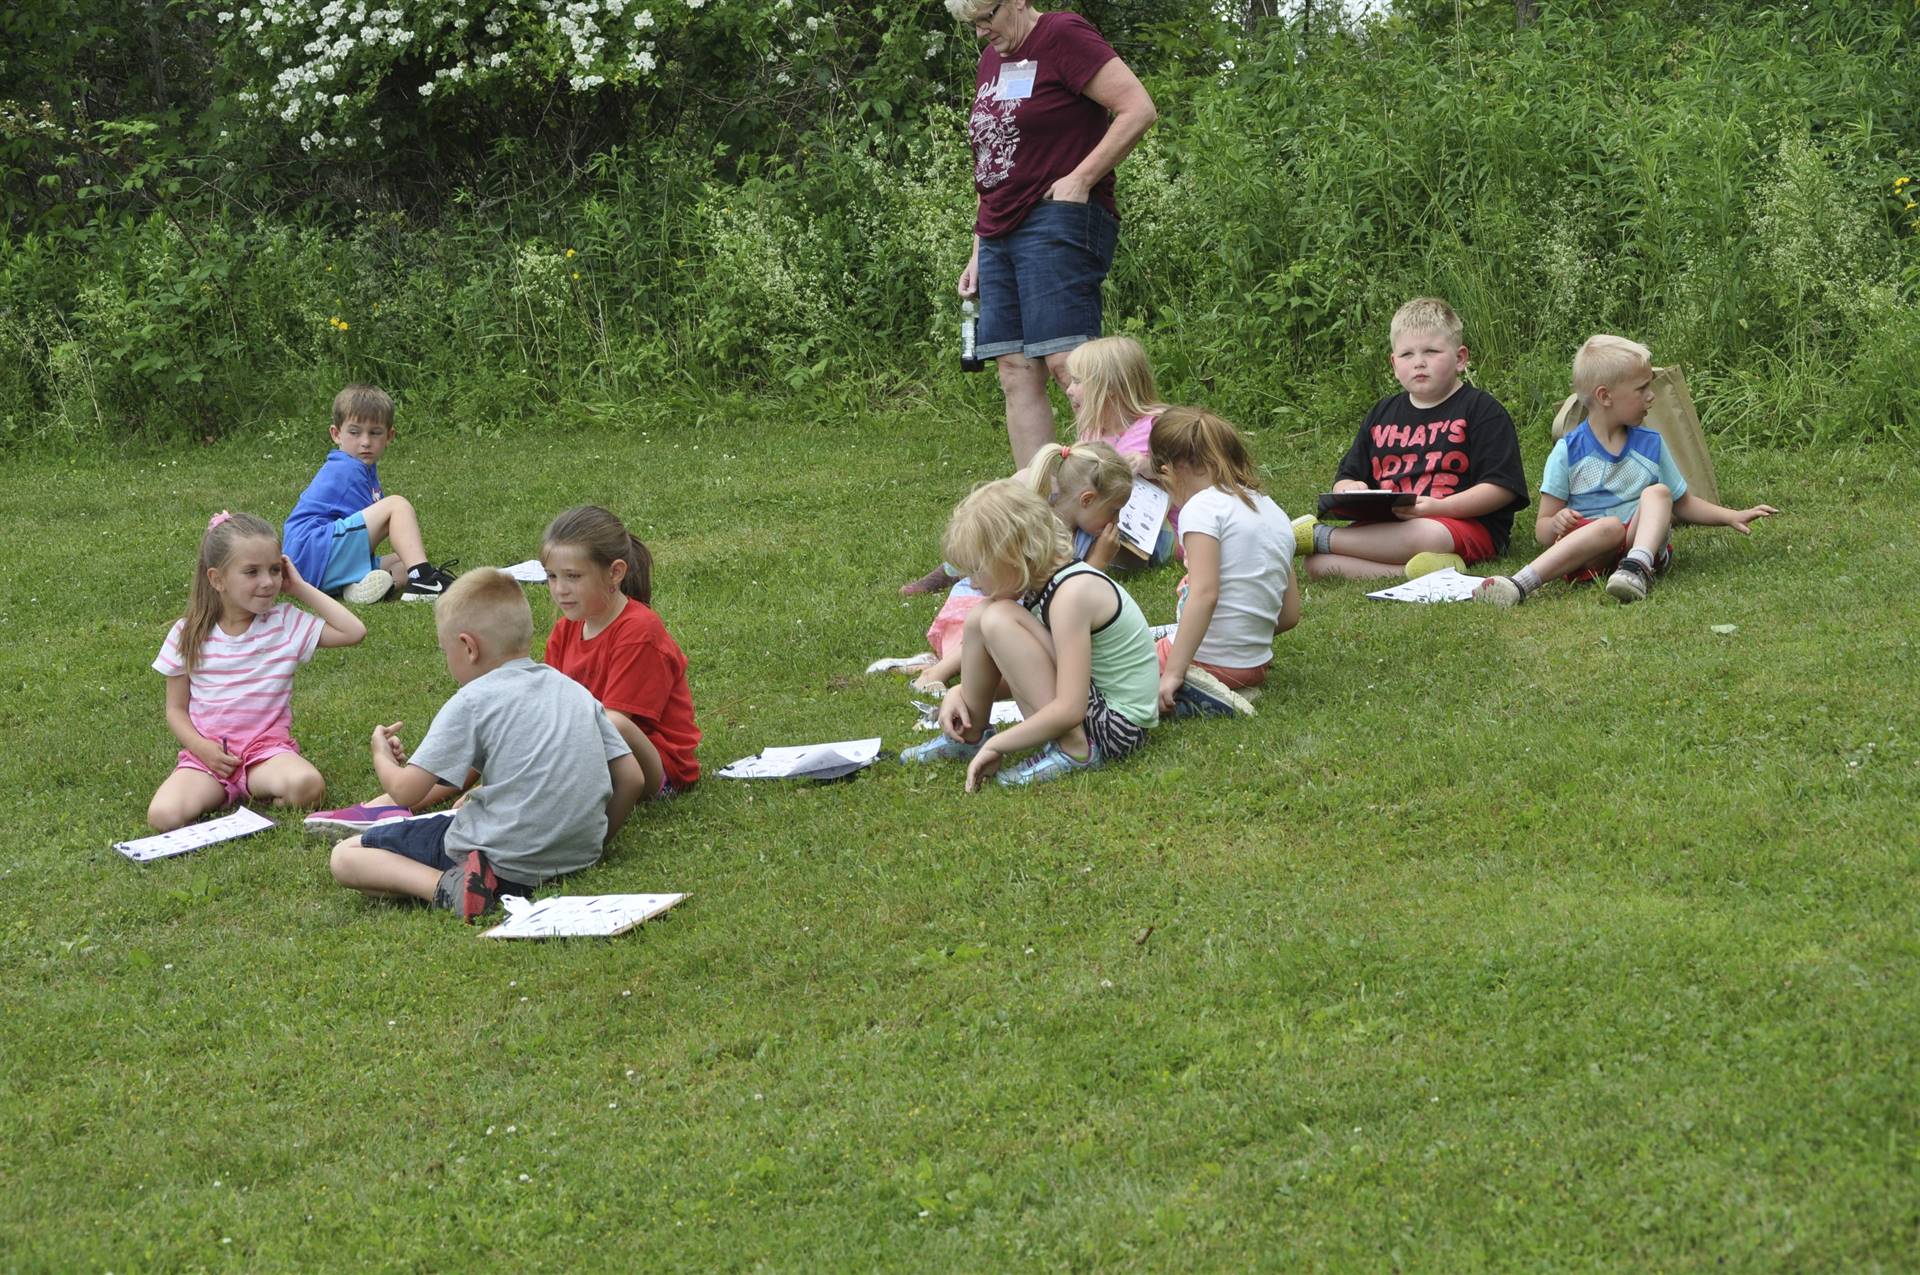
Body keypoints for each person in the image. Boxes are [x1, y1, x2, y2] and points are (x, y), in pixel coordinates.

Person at [327, 570, 648, 922]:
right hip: (576, 855)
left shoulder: (472, 700)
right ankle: (476, 877)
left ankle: (449, 886)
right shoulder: (572, 689)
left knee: (346, 857)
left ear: (468, 646)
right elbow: (631, 777)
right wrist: (594, 844)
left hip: (501, 857)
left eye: (444, 650)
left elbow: (405, 793)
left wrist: (381, 756)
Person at [948, 0, 1159, 468]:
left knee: (1071, 365)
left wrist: (1081, 179)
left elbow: (1138, 108)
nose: (982, 32)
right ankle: (1038, 505)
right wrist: (979, 246)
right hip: (999, 230)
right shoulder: (992, 58)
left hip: (1054, 217)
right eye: (973, 24)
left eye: (987, 18)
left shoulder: (1063, 34)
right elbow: (993, 158)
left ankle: (1118, 493)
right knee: (1014, 370)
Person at [1475, 335, 1777, 606]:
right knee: (1607, 528)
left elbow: (1682, 503)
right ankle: (1519, 585)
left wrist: (1731, 515)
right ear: (1605, 396)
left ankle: (1636, 569)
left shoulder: (1651, 443)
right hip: (1591, 551)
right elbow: (1542, 530)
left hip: (1639, 543)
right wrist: (1556, 524)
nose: (1651, 396)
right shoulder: (1568, 452)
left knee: (1658, 492)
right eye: (1642, 388)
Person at [902, 478, 1159, 790]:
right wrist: (962, 693)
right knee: (982, 615)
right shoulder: (1044, 586)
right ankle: (970, 733)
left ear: (1012, 555)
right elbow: (1031, 671)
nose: (973, 582)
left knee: (996, 616)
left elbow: (1070, 707)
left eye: (978, 569)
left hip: (1116, 728)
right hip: (1094, 704)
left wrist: (1000, 745)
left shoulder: (1070, 595)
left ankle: (1075, 750)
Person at [146, 511, 366, 831]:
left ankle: (252, 791)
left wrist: (301, 588)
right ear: (217, 579)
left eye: (275, 570)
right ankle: (231, 792)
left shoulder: (285, 623)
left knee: (307, 785)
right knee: (163, 816)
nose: (267, 582)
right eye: (251, 572)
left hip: (266, 754)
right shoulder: (187, 633)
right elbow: (175, 710)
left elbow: (354, 632)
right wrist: (202, 749)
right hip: (208, 760)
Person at [900, 335, 1169, 596]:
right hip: (1092, 521)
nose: (1069, 389)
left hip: (1141, 540)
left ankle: (992, 564)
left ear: (1109, 388)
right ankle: (967, 559)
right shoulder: (1093, 431)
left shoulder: (1156, 427)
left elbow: (1190, 476)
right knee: (1026, 480)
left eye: (1077, 381)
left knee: (1042, 527)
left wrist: (1149, 466)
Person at [1296, 298, 1529, 581]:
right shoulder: (1381, 413)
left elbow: (1500, 488)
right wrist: (1351, 488)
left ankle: (1320, 536)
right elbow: (1346, 478)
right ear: (1394, 364)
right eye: (1407, 355)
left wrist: (1439, 507)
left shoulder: (1481, 410)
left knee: (1426, 533)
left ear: (1460, 358)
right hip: (1390, 525)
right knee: (1316, 564)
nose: (1419, 363)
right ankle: (1414, 570)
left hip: (1459, 524)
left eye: (1431, 351)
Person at [912, 441, 1134, 694]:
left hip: (1018, 610)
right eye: (1114, 511)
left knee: (1016, 660)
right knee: (998, 631)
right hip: (984, 600)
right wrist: (1098, 562)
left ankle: (964, 685)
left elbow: (1072, 595)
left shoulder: (1087, 537)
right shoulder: (1035, 523)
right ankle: (938, 672)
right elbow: (1068, 589)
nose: (1117, 521)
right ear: (1087, 499)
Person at [1147, 408, 1299, 716]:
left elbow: (1205, 593)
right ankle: (1231, 687)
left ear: (1173, 469)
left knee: (1110, 671)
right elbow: (1291, 614)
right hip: (1254, 664)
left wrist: (1174, 670)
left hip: (1208, 660)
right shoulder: (1274, 511)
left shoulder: (1201, 508)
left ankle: (1189, 688)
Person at [538, 506, 694, 791]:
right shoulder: (565, 629)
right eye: (552, 576)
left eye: (573, 576)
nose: (560, 589)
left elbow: (612, 727)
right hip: (592, 749)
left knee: (613, 722)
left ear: (615, 573)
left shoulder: (639, 631)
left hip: (656, 766)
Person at [283, 384, 458, 605]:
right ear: (336, 434)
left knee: (403, 561)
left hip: (310, 564)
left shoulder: (361, 468)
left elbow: (360, 532)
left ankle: (358, 588)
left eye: (375, 433)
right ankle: (423, 580)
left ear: (389, 435)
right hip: (312, 549)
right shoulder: (347, 470)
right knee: (397, 505)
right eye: (354, 432)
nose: (365, 442)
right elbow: (369, 531)